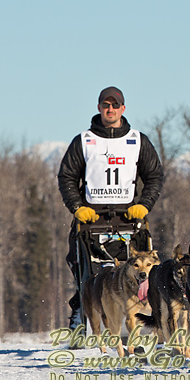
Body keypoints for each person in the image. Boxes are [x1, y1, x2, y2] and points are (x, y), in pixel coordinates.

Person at [57, 86, 164, 328]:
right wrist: (77, 207)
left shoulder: (137, 140)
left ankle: (143, 319)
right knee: (83, 269)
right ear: (99, 108)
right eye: (106, 105)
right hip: (91, 217)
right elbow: (67, 178)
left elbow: (155, 176)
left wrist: (144, 205)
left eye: (115, 105)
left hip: (129, 216)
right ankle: (80, 311)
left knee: (141, 269)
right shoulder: (84, 141)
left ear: (123, 109)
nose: (110, 109)